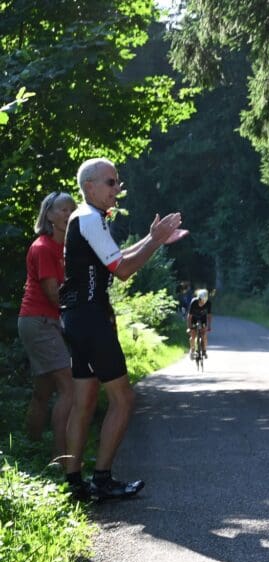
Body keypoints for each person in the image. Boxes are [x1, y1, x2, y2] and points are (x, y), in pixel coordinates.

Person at [60, 157, 187, 500]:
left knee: (84, 400)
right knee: (123, 398)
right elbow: (123, 269)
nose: (118, 188)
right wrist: (156, 241)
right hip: (90, 319)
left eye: (117, 181)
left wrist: (151, 237)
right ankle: (101, 480)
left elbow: (114, 257)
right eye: (111, 182)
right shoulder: (88, 218)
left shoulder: (86, 219)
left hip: (76, 318)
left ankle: (75, 484)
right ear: (89, 188)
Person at [17, 192, 78, 460]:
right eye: (62, 209)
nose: (68, 213)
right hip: (38, 321)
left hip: (46, 321)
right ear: (49, 215)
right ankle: (62, 459)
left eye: (71, 209)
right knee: (69, 387)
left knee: (42, 392)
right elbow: (54, 293)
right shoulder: (43, 247)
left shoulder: (66, 248)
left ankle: (29, 451)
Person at [187, 288, 212, 358]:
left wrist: (209, 326)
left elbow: (209, 315)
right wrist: (189, 327)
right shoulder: (194, 302)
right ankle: (192, 350)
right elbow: (189, 316)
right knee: (192, 336)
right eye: (200, 300)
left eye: (203, 301)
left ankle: (204, 350)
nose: (201, 303)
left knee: (204, 336)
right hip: (194, 319)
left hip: (203, 319)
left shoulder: (208, 303)